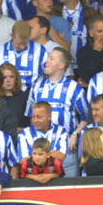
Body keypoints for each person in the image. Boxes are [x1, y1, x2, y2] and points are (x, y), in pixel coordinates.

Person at [26, 47, 87, 176]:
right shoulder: (37, 86)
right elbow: (29, 116)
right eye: (48, 57)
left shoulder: (73, 87)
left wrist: (75, 134)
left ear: (61, 65)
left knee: (69, 190)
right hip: (39, 151)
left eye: (51, 58)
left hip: (67, 149)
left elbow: (86, 117)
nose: (46, 61)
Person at [0, 20, 47, 91]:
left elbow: (49, 73)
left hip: (32, 92)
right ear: (12, 36)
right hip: (6, 94)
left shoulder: (40, 51)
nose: (22, 47)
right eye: (19, 44)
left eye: (25, 43)